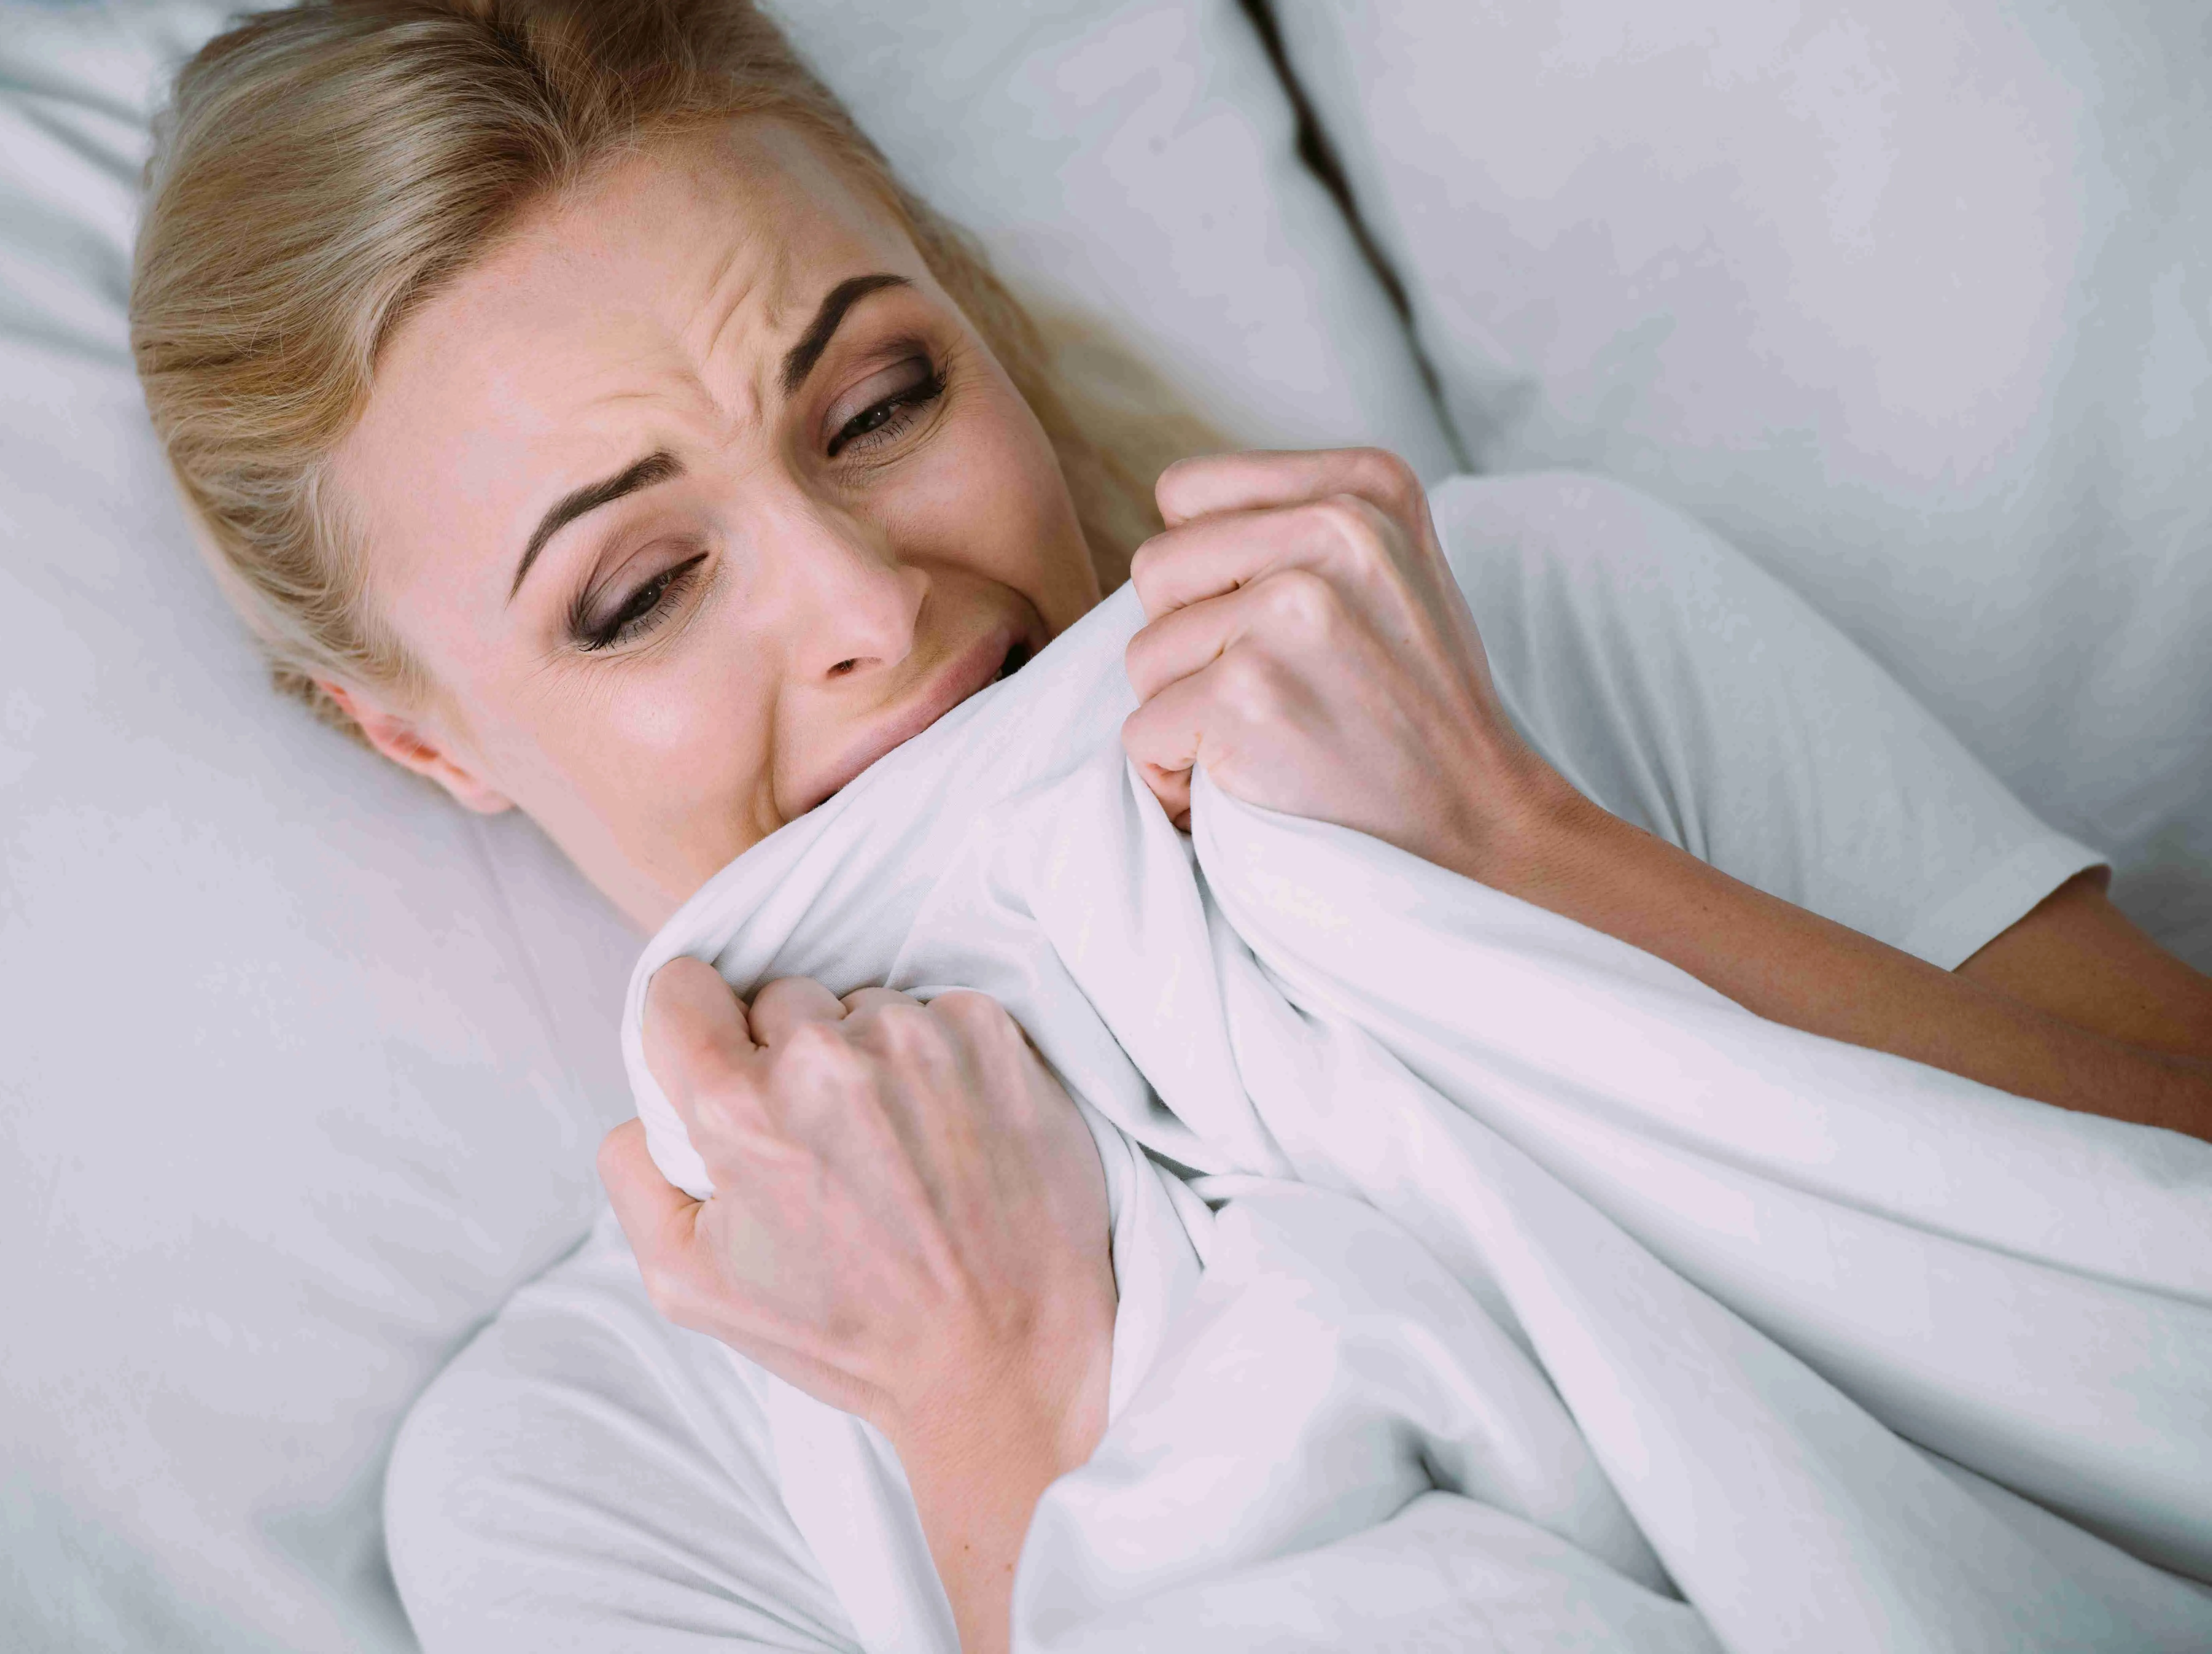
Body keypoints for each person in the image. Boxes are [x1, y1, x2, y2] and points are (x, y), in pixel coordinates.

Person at [130, 2, 2212, 1647]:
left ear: (979, 336)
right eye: (643, 592)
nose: (871, 611)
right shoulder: (586, 1464)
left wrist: (1522, 846)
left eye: (879, 408)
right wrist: (1001, 1419)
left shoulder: (1527, 622)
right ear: (419, 742)